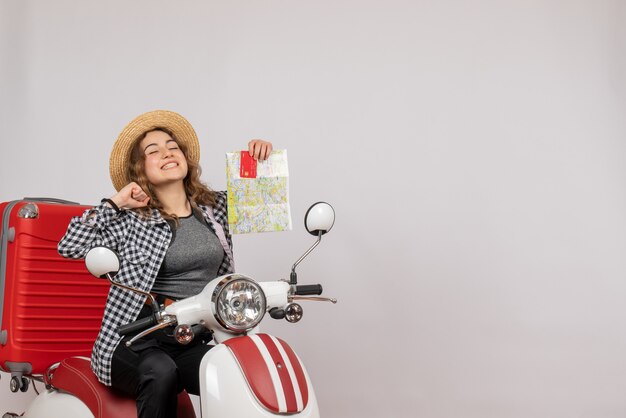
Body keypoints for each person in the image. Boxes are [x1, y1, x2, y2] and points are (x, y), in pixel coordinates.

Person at [58, 109, 273, 418]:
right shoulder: (132, 220)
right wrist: (116, 202)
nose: (167, 153)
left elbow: (265, 209)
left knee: (234, 372)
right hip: (137, 342)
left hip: (191, 338)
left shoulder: (213, 209)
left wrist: (259, 162)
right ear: (140, 169)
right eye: (153, 151)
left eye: (173, 146)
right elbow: (70, 245)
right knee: (160, 372)